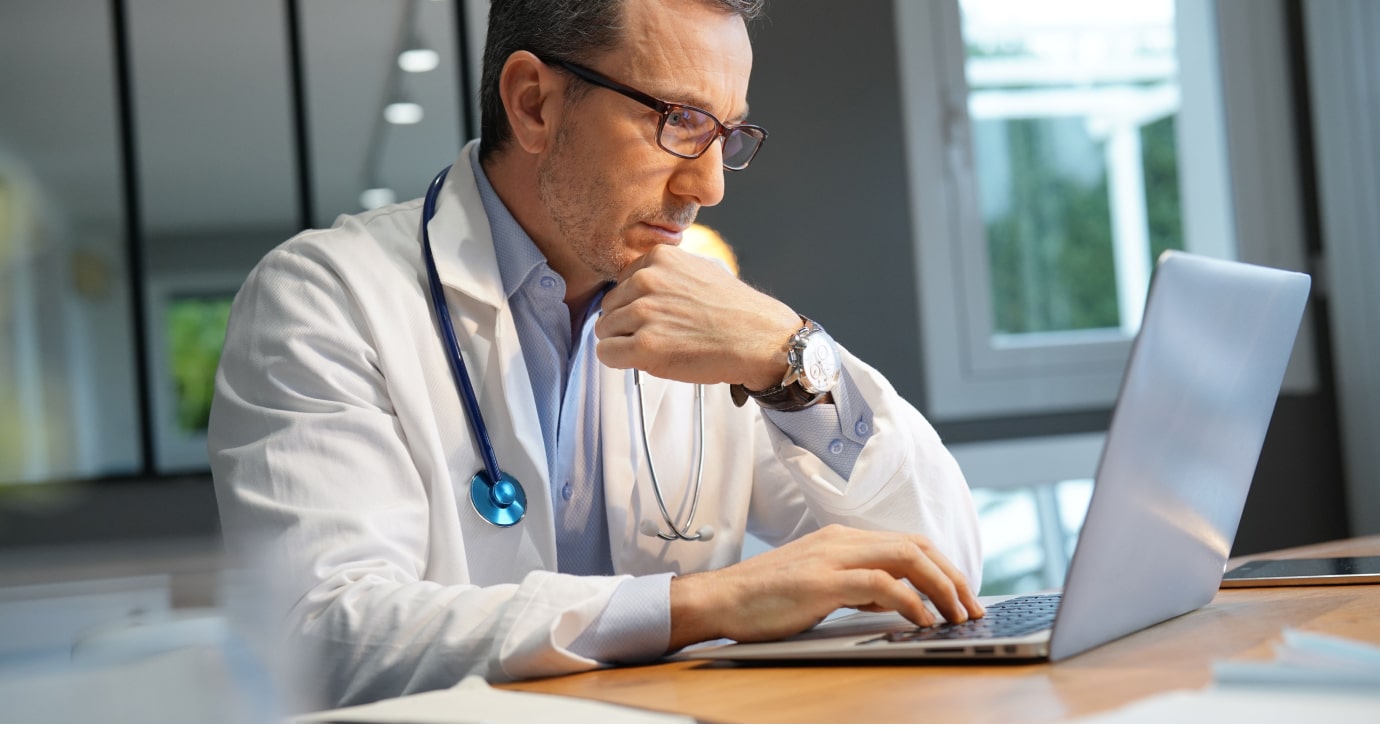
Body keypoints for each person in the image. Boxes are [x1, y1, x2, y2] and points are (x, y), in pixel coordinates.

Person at [208, 0, 984, 710]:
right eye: (678, 120)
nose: (709, 184)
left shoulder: (708, 307)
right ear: (533, 103)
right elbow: (326, 638)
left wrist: (791, 360)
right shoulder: (325, 298)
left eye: (727, 133)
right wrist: (702, 606)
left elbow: (942, 568)